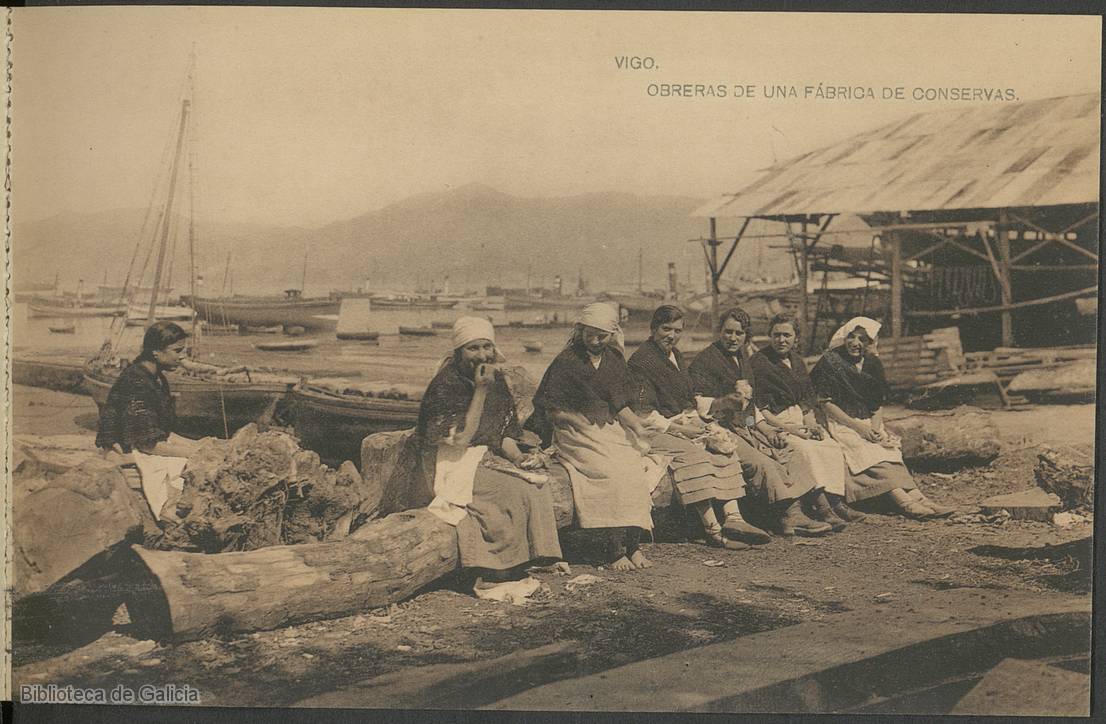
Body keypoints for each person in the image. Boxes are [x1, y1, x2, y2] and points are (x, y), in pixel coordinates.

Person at [628, 305, 797, 548]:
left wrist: (759, 426)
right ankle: (718, 530)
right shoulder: (649, 361)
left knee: (727, 446)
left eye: (677, 330)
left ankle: (736, 518)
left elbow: (744, 410)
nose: (672, 335)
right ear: (653, 328)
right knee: (708, 454)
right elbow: (644, 411)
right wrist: (690, 426)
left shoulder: (684, 356)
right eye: (666, 329)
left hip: (709, 423)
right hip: (663, 427)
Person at [416, 317, 563, 593]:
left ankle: (531, 558)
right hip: (450, 463)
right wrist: (480, 391)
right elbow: (460, 438)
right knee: (508, 493)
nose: (482, 355)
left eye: (487, 347)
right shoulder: (445, 384)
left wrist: (519, 459)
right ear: (459, 351)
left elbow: (502, 434)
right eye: (473, 348)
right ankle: (492, 570)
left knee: (535, 485)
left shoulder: (495, 381)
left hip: (481, 457)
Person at [526, 302, 663, 571]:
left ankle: (633, 545)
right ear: (580, 331)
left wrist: (637, 426)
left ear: (612, 334)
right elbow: (550, 408)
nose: (596, 341)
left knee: (635, 467)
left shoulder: (614, 360)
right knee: (609, 472)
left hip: (607, 428)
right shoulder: (567, 361)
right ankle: (613, 550)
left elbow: (620, 404)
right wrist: (575, 419)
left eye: (602, 335)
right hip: (573, 432)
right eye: (591, 334)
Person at [688, 307, 832, 537]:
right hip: (717, 429)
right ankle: (786, 514)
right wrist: (725, 401)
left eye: (739, 333)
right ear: (719, 332)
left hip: (742, 424)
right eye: (728, 332)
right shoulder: (705, 361)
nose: (733, 338)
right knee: (760, 462)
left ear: (747, 336)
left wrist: (765, 430)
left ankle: (799, 512)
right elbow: (698, 406)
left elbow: (749, 407)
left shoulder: (743, 359)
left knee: (787, 450)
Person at [810, 317, 954, 519]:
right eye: (852, 337)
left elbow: (877, 404)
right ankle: (905, 503)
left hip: (868, 422)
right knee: (868, 452)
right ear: (844, 337)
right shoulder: (831, 362)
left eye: (863, 339)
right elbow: (826, 403)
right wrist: (860, 429)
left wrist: (876, 428)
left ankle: (921, 499)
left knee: (887, 450)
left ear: (870, 343)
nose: (856, 343)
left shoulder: (872, 363)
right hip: (840, 422)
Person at [749, 313, 858, 530]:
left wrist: (812, 424)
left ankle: (836, 502)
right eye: (777, 335)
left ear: (796, 338)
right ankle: (821, 508)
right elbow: (761, 410)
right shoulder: (759, 363)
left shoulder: (797, 362)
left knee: (830, 447)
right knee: (804, 450)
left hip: (800, 420)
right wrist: (795, 431)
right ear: (769, 336)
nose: (782, 340)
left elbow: (806, 401)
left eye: (787, 335)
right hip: (777, 423)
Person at [95, 321, 203, 522]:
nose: (182, 356)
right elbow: (147, 444)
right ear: (155, 352)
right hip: (124, 450)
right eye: (177, 350)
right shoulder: (137, 382)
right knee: (190, 464)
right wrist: (195, 451)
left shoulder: (156, 378)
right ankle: (168, 511)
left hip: (142, 443)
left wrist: (203, 444)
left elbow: (164, 432)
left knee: (201, 451)